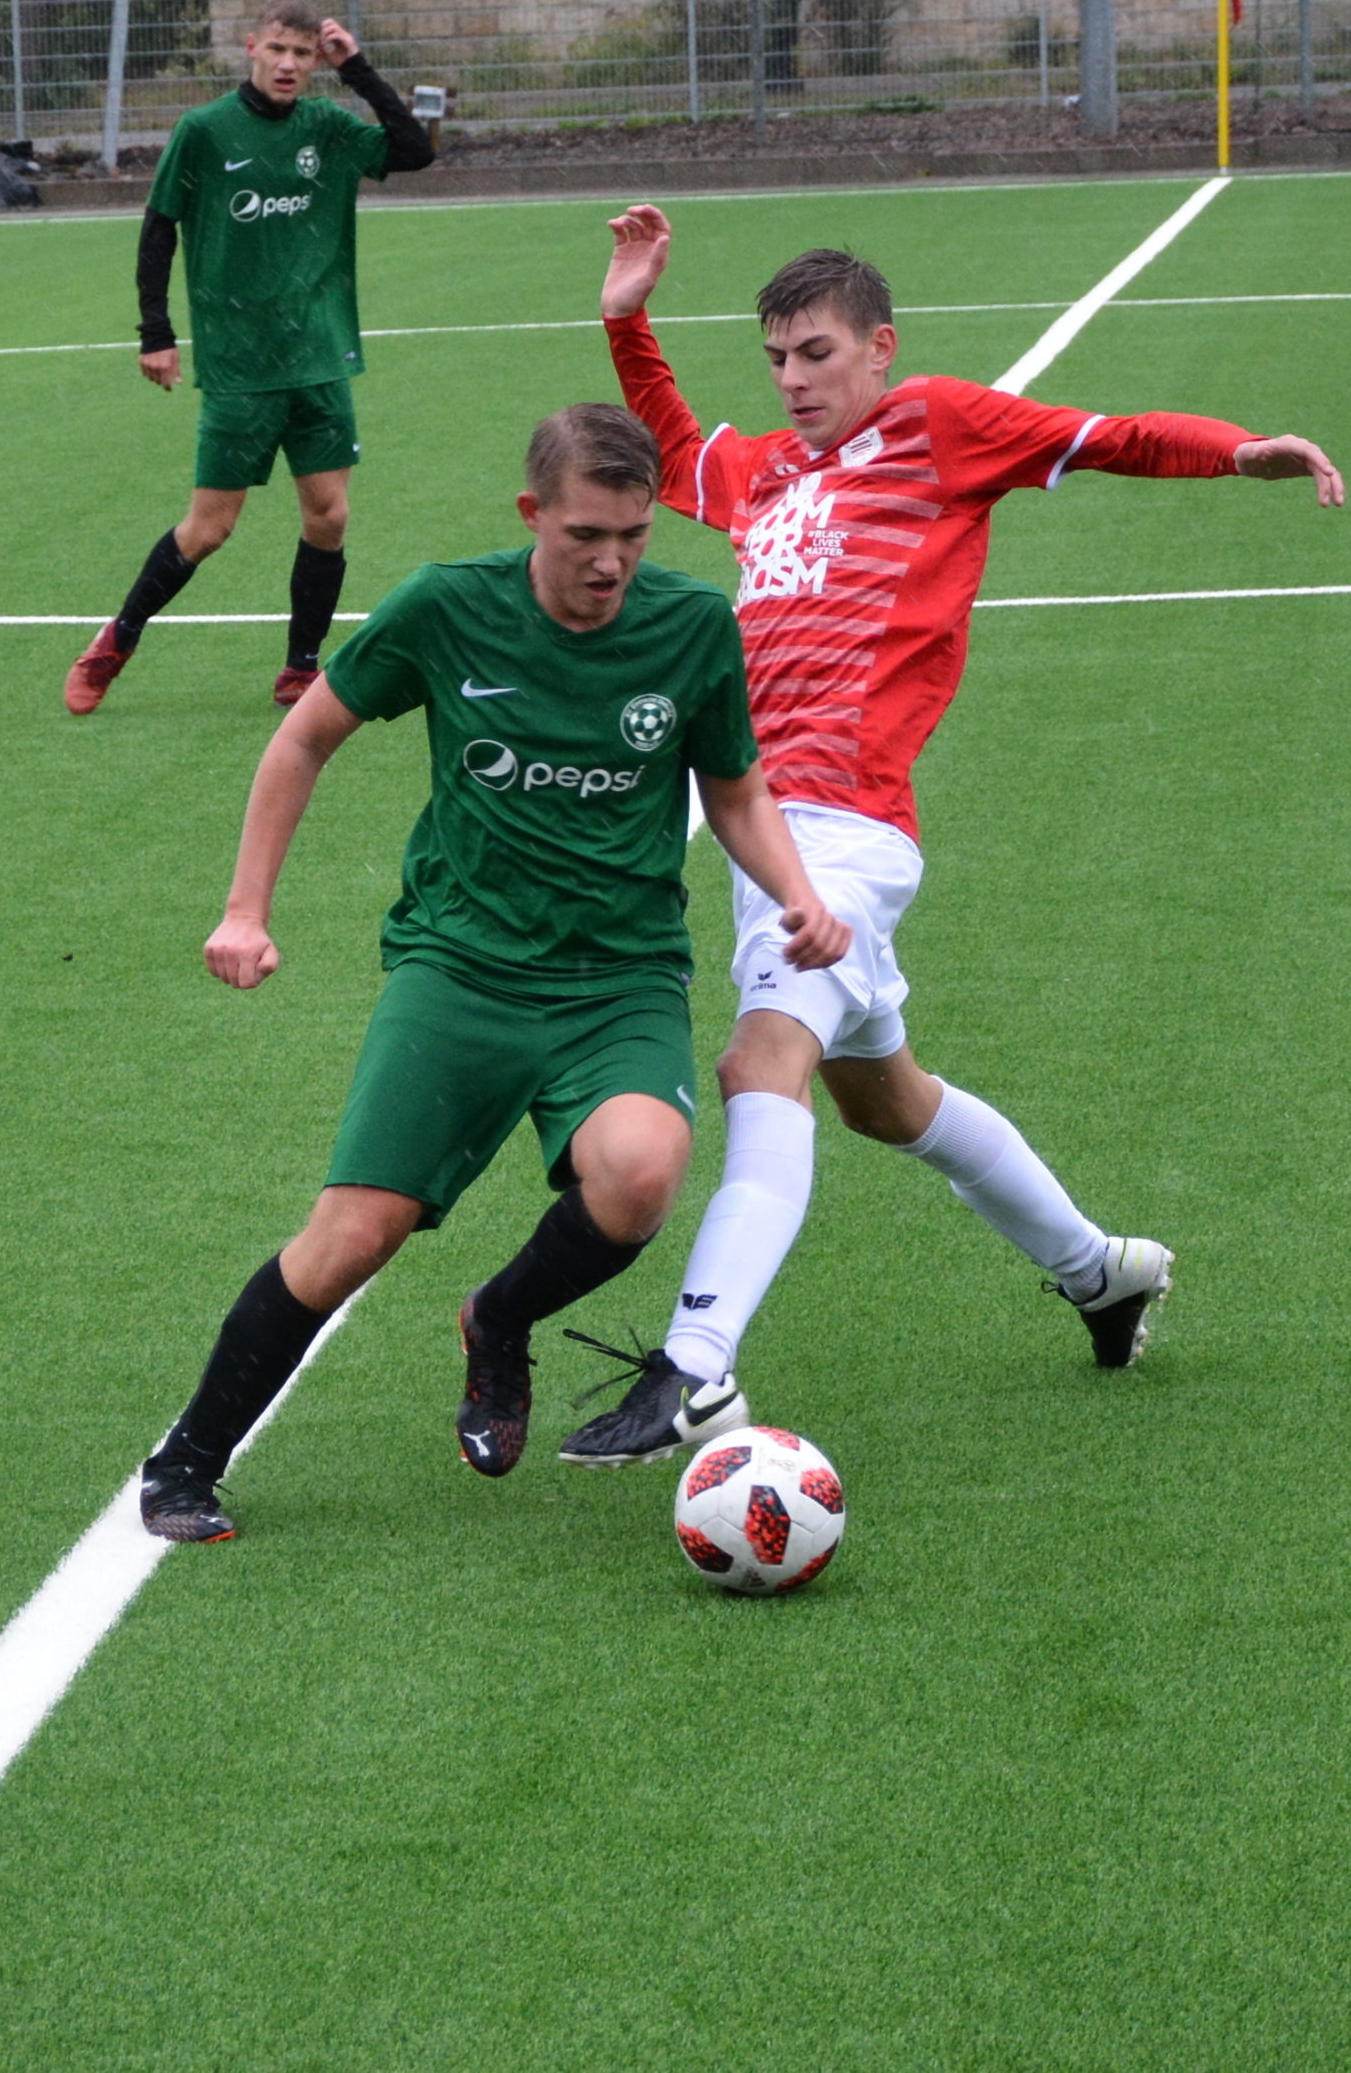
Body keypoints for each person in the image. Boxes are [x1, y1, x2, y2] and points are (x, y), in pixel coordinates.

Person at [560, 205, 1345, 1466]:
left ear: (879, 348)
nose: (793, 379)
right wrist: (626, 318)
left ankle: (695, 1369)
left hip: (845, 832)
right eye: (776, 358)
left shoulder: (936, 423)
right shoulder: (766, 472)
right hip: (770, 836)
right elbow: (678, 448)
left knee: (761, 1065)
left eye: (816, 353)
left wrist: (1239, 452)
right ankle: (1100, 1272)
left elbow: (1105, 436)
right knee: (888, 1102)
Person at [136, 403, 849, 1542]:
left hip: (619, 979)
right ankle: (187, 1458)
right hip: (461, 968)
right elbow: (304, 737)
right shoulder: (445, 606)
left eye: (632, 535)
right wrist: (244, 910)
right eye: (584, 536)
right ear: (532, 515)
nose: (610, 562)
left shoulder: (692, 627)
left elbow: (734, 790)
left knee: (642, 1170)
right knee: (354, 1234)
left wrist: (797, 892)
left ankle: (499, 1321)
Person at [66, 0, 435, 720]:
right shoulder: (205, 131)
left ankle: (301, 668)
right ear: (252, 48)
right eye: (278, 50)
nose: (289, 65)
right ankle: (116, 640)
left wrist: (357, 69)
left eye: (303, 54)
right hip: (240, 365)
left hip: (319, 358)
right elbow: (159, 227)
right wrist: (154, 331)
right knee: (209, 529)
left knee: (329, 516)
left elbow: (416, 150)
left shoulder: (327, 128)